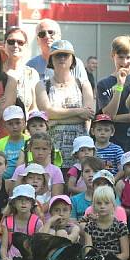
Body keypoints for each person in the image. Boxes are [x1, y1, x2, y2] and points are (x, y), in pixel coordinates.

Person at [35, 40, 95, 170]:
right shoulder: (42, 85)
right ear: (51, 60)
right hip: (51, 149)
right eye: (58, 55)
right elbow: (47, 113)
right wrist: (79, 111)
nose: (62, 58)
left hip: (80, 150)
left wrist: (56, 120)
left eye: (66, 55)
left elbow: (88, 114)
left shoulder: (83, 83)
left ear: (73, 59)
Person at [97, 35, 130, 152]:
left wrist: (116, 118)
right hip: (112, 142)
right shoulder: (103, 84)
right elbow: (109, 114)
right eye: (120, 57)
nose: (124, 62)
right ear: (113, 56)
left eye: (128, 57)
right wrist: (120, 86)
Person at [0, 184, 42, 260]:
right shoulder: (8, 221)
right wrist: (4, 258)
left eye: (27, 199)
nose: (23, 203)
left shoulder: (37, 222)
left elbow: (37, 249)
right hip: (10, 258)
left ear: (32, 203)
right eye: (19, 199)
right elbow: (4, 246)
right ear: (13, 203)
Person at [83, 185, 130, 260]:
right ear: (93, 206)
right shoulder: (89, 227)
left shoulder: (121, 227)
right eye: (99, 203)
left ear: (113, 205)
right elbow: (88, 251)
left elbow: (125, 254)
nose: (102, 206)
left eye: (106, 203)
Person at [11, 132, 64, 197]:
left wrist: (41, 207)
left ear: (50, 149)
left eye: (44, 149)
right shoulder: (21, 169)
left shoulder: (55, 171)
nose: (40, 153)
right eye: (37, 148)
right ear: (30, 148)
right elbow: (14, 194)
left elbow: (56, 197)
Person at [3, 27, 39, 111]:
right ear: (4, 44)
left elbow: (34, 108)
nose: (15, 45)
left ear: (26, 46)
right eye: (11, 42)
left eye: (20, 42)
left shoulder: (32, 74)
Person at [0, 106, 27, 179]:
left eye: (18, 123)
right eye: (10, 124)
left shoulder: (29, 141)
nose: (15, 127)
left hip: (24, 179)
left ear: (24, 123)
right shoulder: (0, 143)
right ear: (4, 126)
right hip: (4, 181)